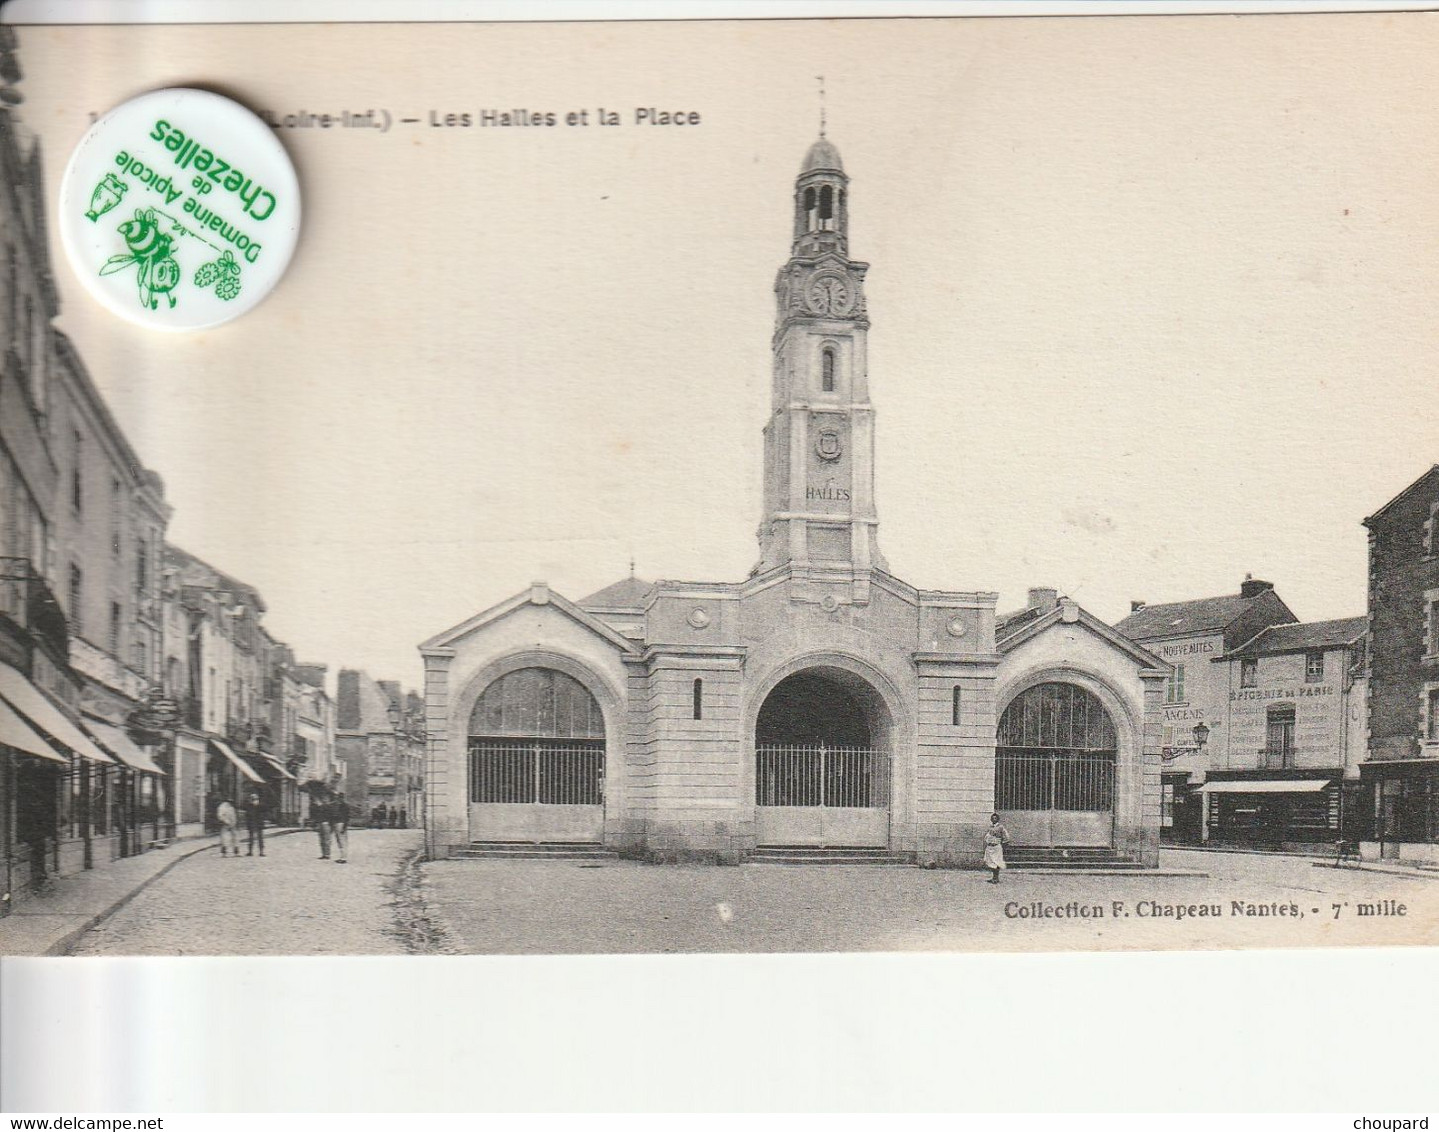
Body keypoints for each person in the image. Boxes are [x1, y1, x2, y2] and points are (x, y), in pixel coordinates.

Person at [982, 812, 1010, 884]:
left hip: (996, 847)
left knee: (997, 862)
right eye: (993, 818)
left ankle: (996, 878)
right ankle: (993, 877)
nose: (994, 820)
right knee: (990, 862)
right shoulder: (990, 827)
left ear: (998, 819)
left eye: (995, 818)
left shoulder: (1001, 827)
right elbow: (986, 837)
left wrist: (1003, 843)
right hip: (990, 847)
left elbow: (1006, 836)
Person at [242, 790, 266, 857]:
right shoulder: (249, 806)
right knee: (251, 838)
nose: (254, 801)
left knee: (260, 839)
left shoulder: (261, 806)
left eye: (255, 799)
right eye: (253, 799)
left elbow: (263, 814)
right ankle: (250, 851)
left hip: (258, 824)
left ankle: (261, 852)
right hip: (252, 824)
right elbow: (247, 815)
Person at [331, 792, 350, 863]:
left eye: (338, 797)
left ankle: (344, 858)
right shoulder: (339, 805)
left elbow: (346, 817)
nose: (337, 799)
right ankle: (342, 856)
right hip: (338, 823)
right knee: (340, 840)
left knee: (342, 841)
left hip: (341, 823)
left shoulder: (344, 806)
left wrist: (344, 827)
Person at [312, 792, 333, 859]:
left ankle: (327, 854)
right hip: (321, 823)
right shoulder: (320, 807)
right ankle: (324, 854)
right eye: (323, 798)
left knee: (326, 839)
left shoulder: (329, 807)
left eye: (326, 798)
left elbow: (331, 816)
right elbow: (317, 815)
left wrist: (331, 825)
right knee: (321, 839)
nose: (324, 800)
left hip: (326, 824)